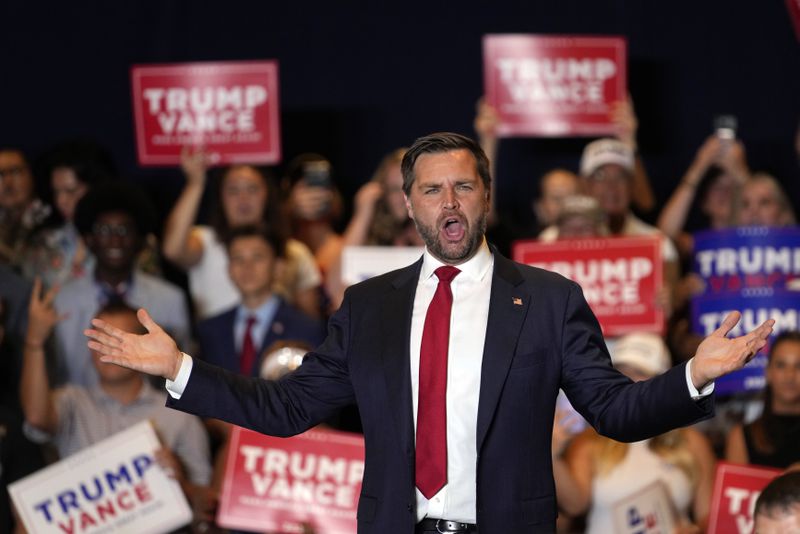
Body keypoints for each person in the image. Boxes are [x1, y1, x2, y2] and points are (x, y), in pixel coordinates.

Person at [86, 132, 775, 534]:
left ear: (486, 196)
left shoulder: (547, 299)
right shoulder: (366, 306)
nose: (449, 203)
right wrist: (177, 367)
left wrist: (695, 375)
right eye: (431, 190)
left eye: (463, 187)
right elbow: (287, 408)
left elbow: (615, 411)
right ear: (409, 205)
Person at [21, 287, 214, 524]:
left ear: (145, 346)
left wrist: (181, 483)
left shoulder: (180, 416)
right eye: (99, 339)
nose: (108, 347)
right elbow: (37, 418)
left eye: (119, 339)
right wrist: (35, 342)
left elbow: (208, 505)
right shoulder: (72, 403)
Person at [563, 333, 716, 533]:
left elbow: (711, 517)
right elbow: (574, 506)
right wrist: (548, 452)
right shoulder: (588, 441)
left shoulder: (692, 442)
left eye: (640, 372)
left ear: (663, 381)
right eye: (621, 372)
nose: (629, 381)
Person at [54, 181, 191, 387]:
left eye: (124, 230)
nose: (115, 240)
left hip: (152, 413)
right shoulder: (62, 301)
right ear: (89, 240)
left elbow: (181, 375)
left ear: (139, 240)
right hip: (80, 414)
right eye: (104, 230)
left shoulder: (170, 299)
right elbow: (58, 376)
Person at [162, 147, 322, 320]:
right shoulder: (205, 241)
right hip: (214, 344)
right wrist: (195, 183)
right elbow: (173, 249)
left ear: (267, 195)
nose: (243, 198)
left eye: (252, 189)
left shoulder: (294, 252)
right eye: (233, 190)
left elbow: (311, 323)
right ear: (220, 198)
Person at [197, 224, 325, 376]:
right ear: (229, 268)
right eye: (238, 258)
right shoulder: (210, 330)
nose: (247, 267)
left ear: (278, 267)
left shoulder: (307, 329)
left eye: (257, 257)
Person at [21, 141, 116, 288]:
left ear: (97, 189)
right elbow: (28, 300)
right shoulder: (44, 243)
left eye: (71, 191)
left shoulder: (127, 239)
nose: (61, 201)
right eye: (56, 192)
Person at [725, 331, 800, 469]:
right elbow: (735, 489)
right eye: (781, 365)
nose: (790, 375)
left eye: (799, 366)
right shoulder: (742, 437)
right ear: (768, 372)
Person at [0, 148, 50, 268]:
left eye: (15, 172)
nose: (8, 182)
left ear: (32, 174)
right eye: (0, 174)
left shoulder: (52, 217)